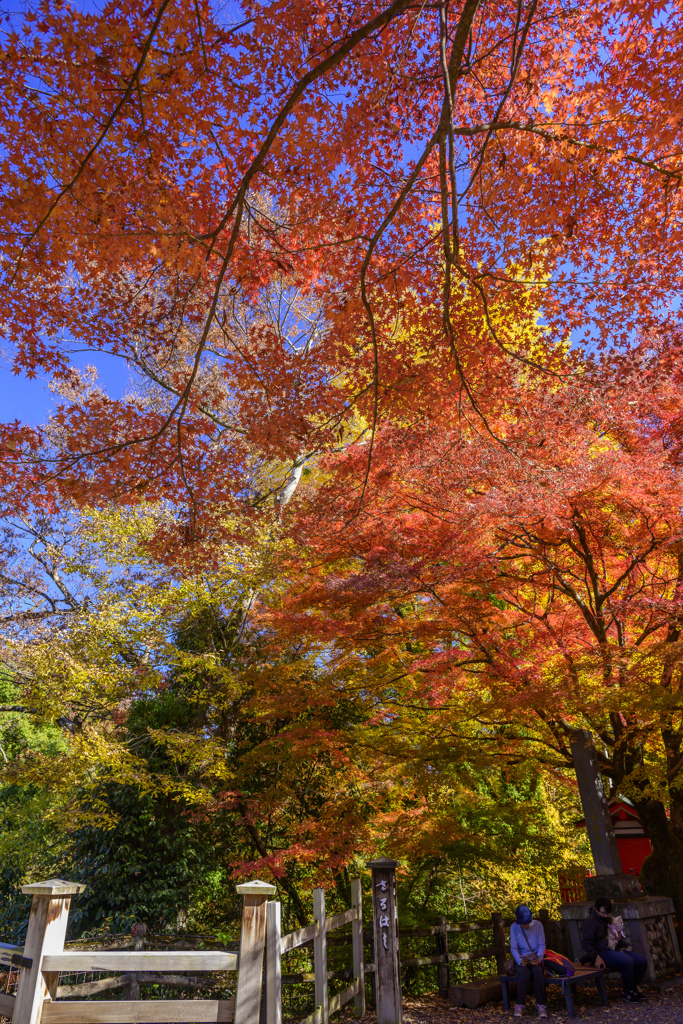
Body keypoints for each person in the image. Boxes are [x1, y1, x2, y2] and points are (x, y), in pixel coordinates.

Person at [581, 896, 648, 1003]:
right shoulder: (590, 921)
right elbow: (586, 943)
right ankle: (627, 992)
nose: (606, 915)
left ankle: (632, 987)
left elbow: (616, 938)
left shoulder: (609, 918)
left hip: (614, 948)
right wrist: (596, 956)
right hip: (601, 951)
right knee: (627, 961)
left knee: (642, 960)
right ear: (596, 909)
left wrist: (621, 940)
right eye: (603, 913)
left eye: (608, 913)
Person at [510, 904, 548, 1019]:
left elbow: (542, 944)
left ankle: (541, 1004)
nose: (525, 925)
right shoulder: (514, 927)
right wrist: (519, 960)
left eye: (526, 923)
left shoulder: (538, 925)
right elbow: (514, 947)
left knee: (537, 972)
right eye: (522, 923)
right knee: (524, 973)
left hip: (535, 956)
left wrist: (539, 958)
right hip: (521, 958)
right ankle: (519, 1004)